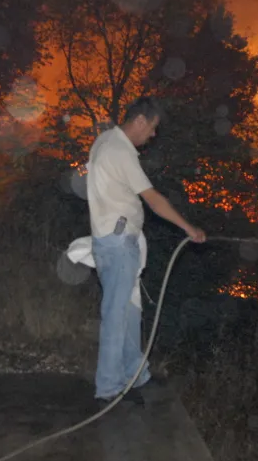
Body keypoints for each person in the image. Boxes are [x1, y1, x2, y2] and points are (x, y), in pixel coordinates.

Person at [86, 97, 206, 405]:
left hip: (111, 240)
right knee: (116, 314)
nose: (152, 135)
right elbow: (153, 200)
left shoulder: (105, 141)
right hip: (118, 243)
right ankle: (110, 388)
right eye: (152, 128)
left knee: (128, 312)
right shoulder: (121, 151)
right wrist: (188, 228)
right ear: (140, 121)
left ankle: (135, 375)